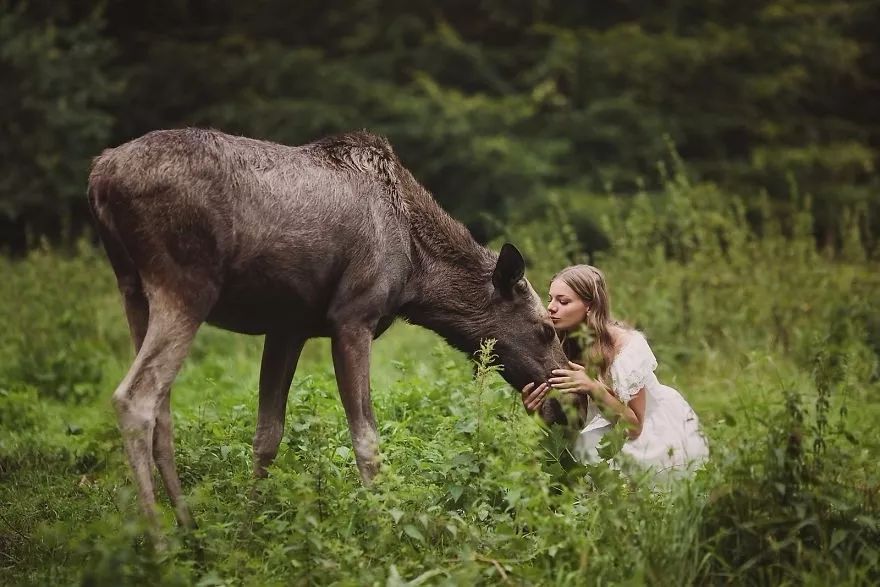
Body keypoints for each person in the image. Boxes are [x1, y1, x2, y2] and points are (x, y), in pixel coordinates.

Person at [521, 264, 709, 476]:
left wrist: (593, 387)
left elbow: (634, 428)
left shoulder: (626, 348)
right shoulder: (560, 344)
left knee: (595, 456)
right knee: (580, 453)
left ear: (590, 306)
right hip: (602, 429)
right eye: (550, 299)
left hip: (647, 433)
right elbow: (568, 422)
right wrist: (536, 412)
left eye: (563, 301)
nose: (551, 308)